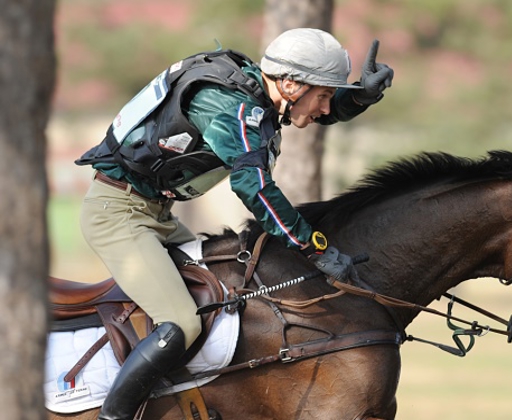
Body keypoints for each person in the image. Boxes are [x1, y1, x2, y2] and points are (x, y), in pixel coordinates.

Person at [74, 28, 394, 420]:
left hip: (154, 215)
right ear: (290, 83)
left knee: (223, 305)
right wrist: (314, 246)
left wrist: (357, 96)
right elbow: (253, 186)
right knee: (182, 323)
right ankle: (114, 415)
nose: (326, 109)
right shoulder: (225, 105)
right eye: (325, 96)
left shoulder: (254, 93)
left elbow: (304, 108)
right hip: (118, 216)